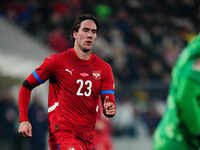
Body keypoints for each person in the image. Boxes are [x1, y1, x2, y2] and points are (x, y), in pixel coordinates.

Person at [18, 14, 116, 150]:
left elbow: (109, 103)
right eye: (85, 30)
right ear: (75, 34)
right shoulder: (56, 62)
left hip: (87, 137)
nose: (90, 35)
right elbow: (26, 86)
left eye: (93, 32)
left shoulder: (104, 69)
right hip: (63, 134)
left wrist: (110, 109)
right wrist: (24, 120)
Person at [153, 34, 200, 150]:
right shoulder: (194, 65)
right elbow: (185, 99)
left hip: (171, 137)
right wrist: (198, 132)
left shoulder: (188, 58)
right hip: (180, 141)